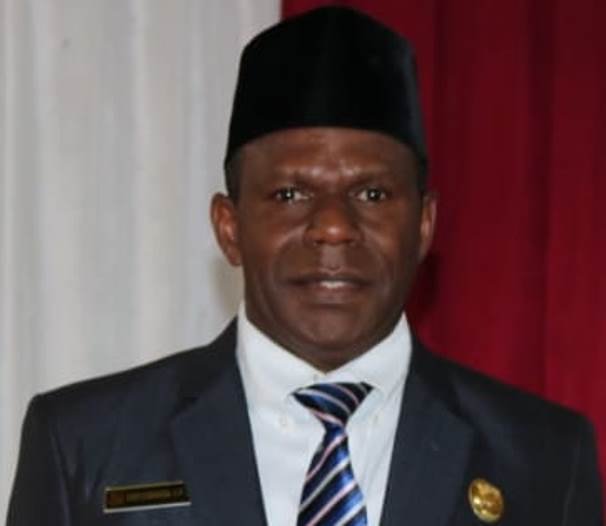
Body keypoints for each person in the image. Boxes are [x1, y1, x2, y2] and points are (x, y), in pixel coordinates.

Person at [7, 6, 602, 526]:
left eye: (372, 194)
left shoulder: (544, 459)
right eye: (290, 194)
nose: (334, 227)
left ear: (423, 225)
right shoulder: (84, 444)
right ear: (230, 227)